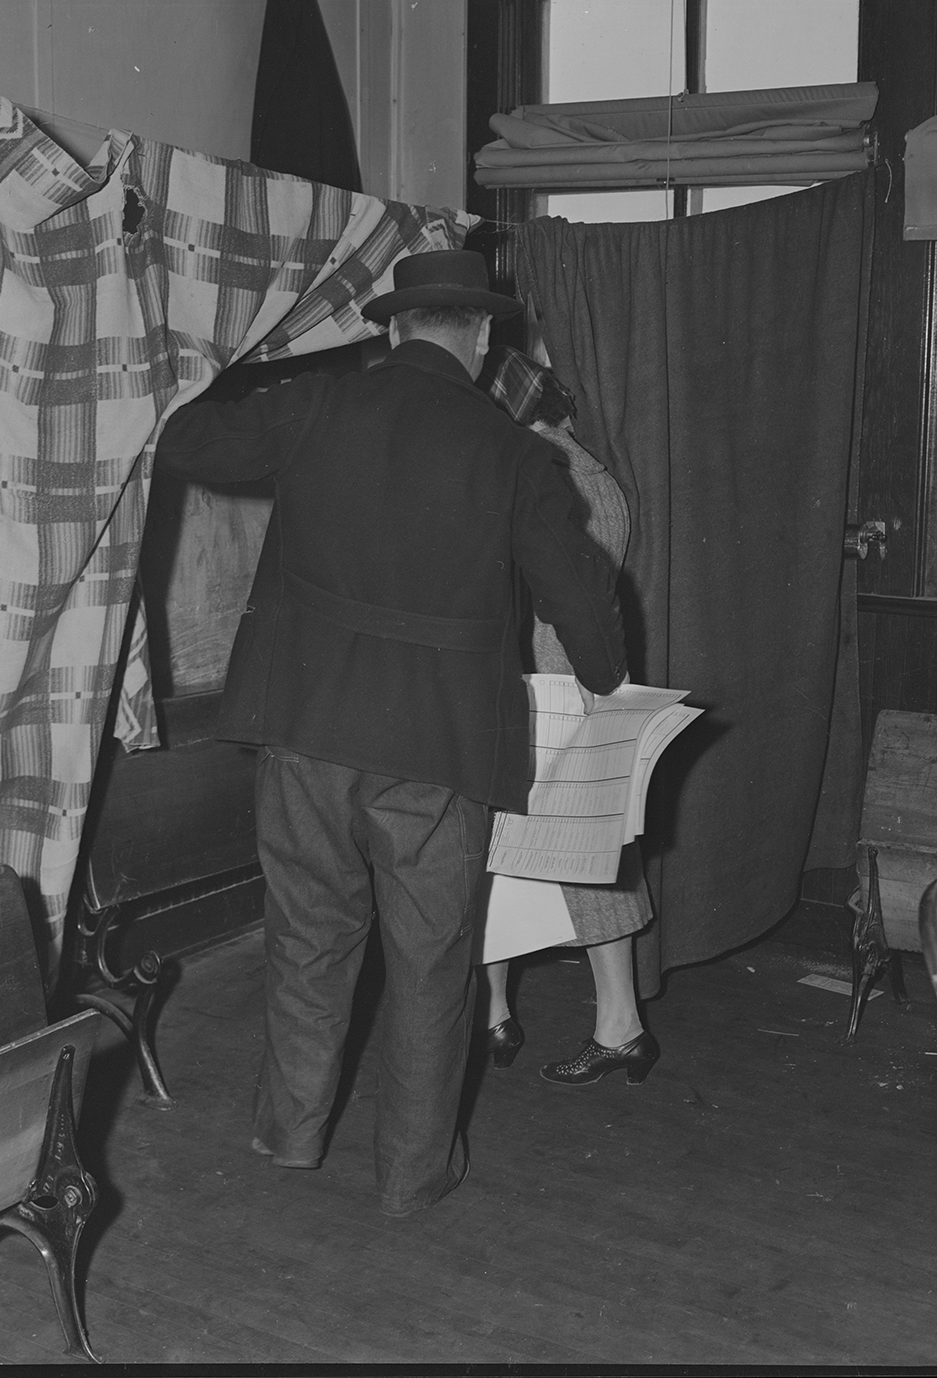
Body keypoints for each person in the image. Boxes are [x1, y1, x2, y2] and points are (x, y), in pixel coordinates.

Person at [154, 251, 627, 1217]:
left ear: (391, 329)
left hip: (306, 731)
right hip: (438, 751)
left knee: (309, 940)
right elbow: (581, 599)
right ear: (484, 340)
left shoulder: (319, 406)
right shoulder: (515, 454)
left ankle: (289, 1136)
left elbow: (188, 442)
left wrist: (221, 355)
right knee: (430, 961)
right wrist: (607, 680)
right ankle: (413, 1173)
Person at [477, 346, 658, 1088]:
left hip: (541, 689)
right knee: (590, 857)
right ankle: (606, 1024)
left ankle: (503, 1015)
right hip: (590, 685)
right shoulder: (593, 468)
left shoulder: (532, 467)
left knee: (497, 853)